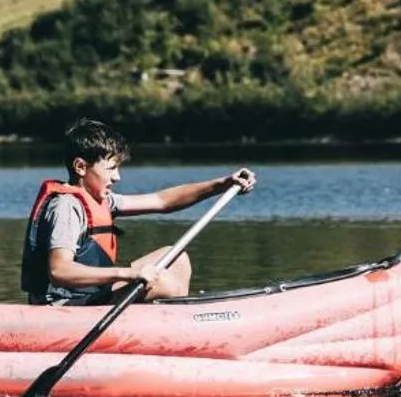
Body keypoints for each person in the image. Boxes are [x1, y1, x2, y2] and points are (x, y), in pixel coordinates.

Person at [20, 118, 253, 306]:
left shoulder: (102, 199)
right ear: (81, 166)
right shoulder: (66, 207)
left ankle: (168, 327)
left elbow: (162, 201)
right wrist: (128, 274)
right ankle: (169, 330)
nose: (117, 177)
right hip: (62, 305)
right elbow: (60, 270)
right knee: (164, 284)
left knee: (176, 258)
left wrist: (221, 184)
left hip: (89, 295)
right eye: (111, 168)